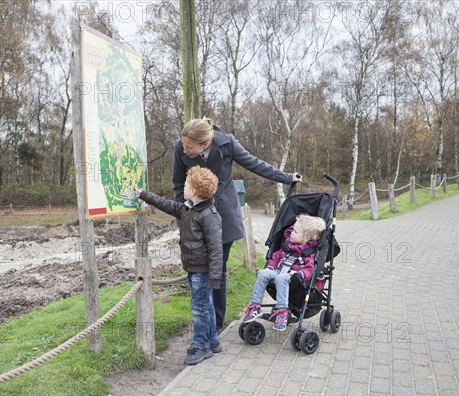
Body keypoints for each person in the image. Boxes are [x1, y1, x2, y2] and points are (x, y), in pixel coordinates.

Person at [173, 117, 302, 330]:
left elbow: (255, 164)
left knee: (217, 270)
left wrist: (286, 177)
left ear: (205, 144)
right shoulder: (180, 147)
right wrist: (181, 218)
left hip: (223, 215)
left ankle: (216, 322)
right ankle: (203, 318)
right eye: (183, 145)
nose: (185, 150)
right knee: (197, 269)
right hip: (194, 217)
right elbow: (178, 185)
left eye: (190, 147)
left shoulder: (227, 144)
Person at [135, 165, 222, 365]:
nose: (182, 186)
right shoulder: (188, 208)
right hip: (193, 269)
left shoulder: (209, 215)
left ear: (194, 191)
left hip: (202, 271)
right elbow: (167, 205)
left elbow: (216, 249)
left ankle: (201, 346)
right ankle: (213, 341)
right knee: (206, 306)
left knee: (199, 309)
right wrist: (143, 195)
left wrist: (215, 276)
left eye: (186, 184)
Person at [243, 214, 326, 331]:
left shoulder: (308, 253)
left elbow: (309, 269)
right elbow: (275, 257)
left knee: (281, 278)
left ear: (306, 237)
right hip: (278, 271)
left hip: (293, 277)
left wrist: (299, 274)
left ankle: (282, 311)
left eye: (296, 232)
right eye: (292, 230)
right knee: (262, 273)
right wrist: (270, 267)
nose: (291, 232)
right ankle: (255, 307)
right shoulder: (288, 246)